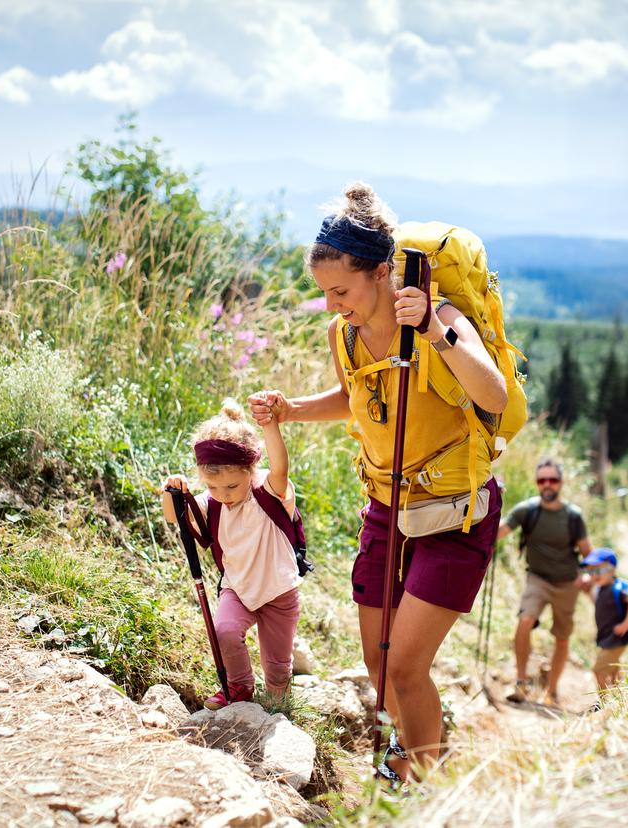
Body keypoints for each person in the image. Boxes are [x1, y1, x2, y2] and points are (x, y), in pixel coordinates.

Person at [248, 182, 507, 783]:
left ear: (383, 272)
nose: (333, 303)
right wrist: (291, 409)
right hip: (386, 507)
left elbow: (491, 392)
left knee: (407, 667)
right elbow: (355, 397)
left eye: (341, 290)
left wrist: (438, 334)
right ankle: (411, 759)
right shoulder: (345, 333)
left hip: (454, 513)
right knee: (379, 662)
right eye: (325, 293)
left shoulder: (439, 318)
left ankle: (424, 783)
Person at [161, 398, 300, 710]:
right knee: (225, 631)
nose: (224, 495)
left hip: (279, 591)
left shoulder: (268, 490)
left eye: (232, 487)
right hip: (238, 587)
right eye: (213, 487)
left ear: (251, 470)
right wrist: (170, 491)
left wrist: (270, 425)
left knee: (278, 666)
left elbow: (280, 466)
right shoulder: (212, 503)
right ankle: (239, 687)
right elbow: (174, 516)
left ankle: (280, 705)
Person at [496, 459, 592, 707]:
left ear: (561, 482)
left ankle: (551, 691)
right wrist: (490, 504)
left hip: (567, 584)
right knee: (525, 620)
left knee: (562, 638)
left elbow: (587, 553)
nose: (547, 485)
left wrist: (589, 575)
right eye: (542, 480)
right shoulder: (527, 510)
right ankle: (521, 683)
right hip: (537, 578)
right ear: (537, 483)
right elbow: (500, 531)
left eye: (552, 480)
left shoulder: (573, 516)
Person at [578, 547, 628, 694]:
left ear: (612, 569)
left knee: (599, 670)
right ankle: (619, 696)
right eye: (590, 571)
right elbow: (600, 606)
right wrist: (587, 593)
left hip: (617, 638)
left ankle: (604, 701)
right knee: (614, 669)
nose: (594, 576)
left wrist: (626, 624)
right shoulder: (602, 589)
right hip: (608, 637)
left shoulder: (617, 588)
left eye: (598, 571)